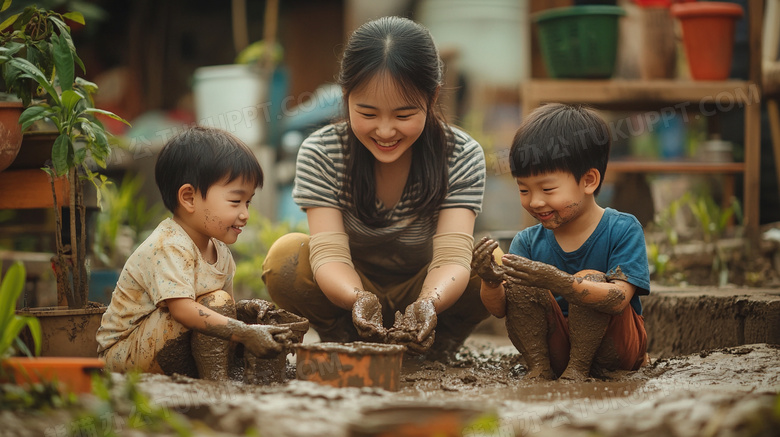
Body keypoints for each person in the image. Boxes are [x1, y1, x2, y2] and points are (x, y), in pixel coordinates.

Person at [262, 16, 490, 356]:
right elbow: (329, 256)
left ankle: (437, 340)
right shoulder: (321, 152)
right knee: (284, 259)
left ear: (432, 97)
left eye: (403, 115)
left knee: (491, 263)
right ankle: (344, 337)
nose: (385, 131)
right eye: (368, 113)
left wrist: (427, 303)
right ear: (345, 96)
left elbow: (452, 259)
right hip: (349, 288)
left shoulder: (461, 154)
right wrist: (359, 300)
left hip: (430, 289)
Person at [96, 126, 292, 380]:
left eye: (248, 202)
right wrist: (244, 332)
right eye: (235, 201)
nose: (245, 214)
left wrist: (248, 312)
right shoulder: (169, 244)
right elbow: (183, 311)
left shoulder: (221, 252)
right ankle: (216, 381)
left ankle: (218, 377)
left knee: (227, 306)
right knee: (218, 304)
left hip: (164, 344)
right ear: (189, 198)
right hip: (123, 355)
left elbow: (226, 309)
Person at [472, 104, 650, 381]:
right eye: (523, 189)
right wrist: (490, 280)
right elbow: (500, 310)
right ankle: (539, 367)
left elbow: (618, 300)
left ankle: (578, 369)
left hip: (614, 351)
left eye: (547, 189)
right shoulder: (527, 241)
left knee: (588, 279)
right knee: (519, 282)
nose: (535, 201)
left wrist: (560, 282)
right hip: (555, 351)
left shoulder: (623, 229)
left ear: (588, 180)